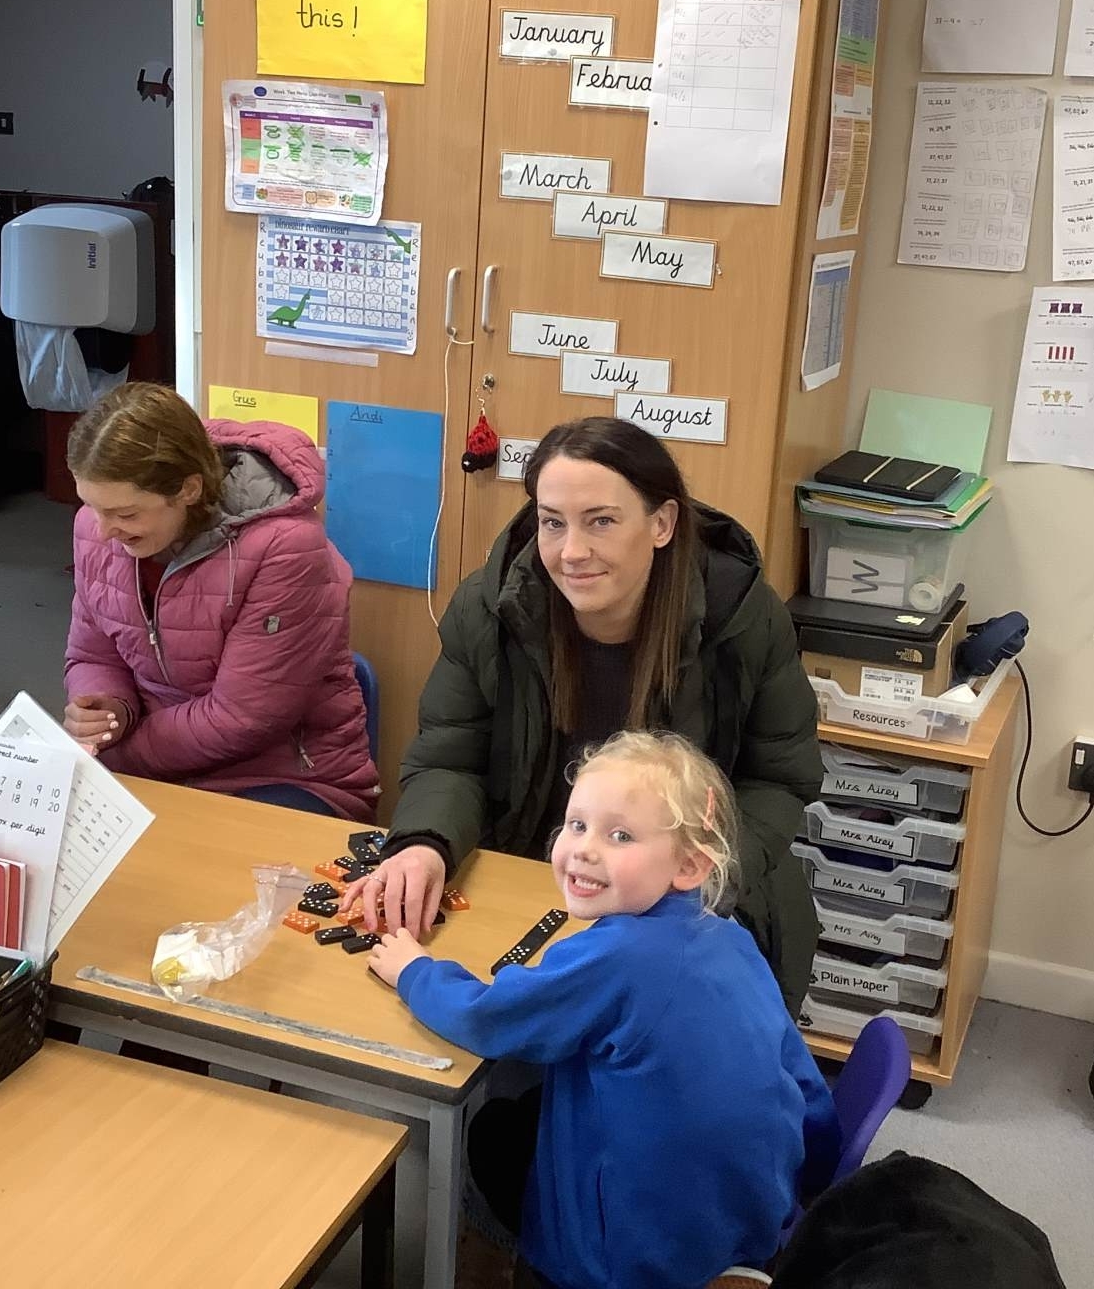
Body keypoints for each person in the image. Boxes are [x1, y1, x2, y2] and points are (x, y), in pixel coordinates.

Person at [349, 415, 822, 1008]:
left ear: (662, 523)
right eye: (552, 523)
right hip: (535, 875)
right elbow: (451, 755)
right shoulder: (490, 608)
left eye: (601, 521)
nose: (572, 552)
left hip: (689, 896)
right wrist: (426, 843)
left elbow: (778, 779)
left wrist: (693, 884)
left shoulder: (742, 616)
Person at [368, 731, 839, 1289]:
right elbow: (802, 1080)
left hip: (628, 1263)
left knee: (492, 1130)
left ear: (690, 866)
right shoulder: (731, 938)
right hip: (752, 1230)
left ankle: (499, 1268)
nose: (585, 849)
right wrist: (810, 1188)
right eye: (576, 825)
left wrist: (414, 970)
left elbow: (486, 1017)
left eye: (620, 836)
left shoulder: (618, 956)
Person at [62, 382, 379, 819]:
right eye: (91, 506)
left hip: (280, 776)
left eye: (126, 513)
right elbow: (93, 655)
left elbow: (242, 718)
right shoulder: (97, 529)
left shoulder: (285, 546)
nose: (102, 531)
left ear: (188, 490)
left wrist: (122, 754)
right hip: (150, 763)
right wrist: (107, 712)